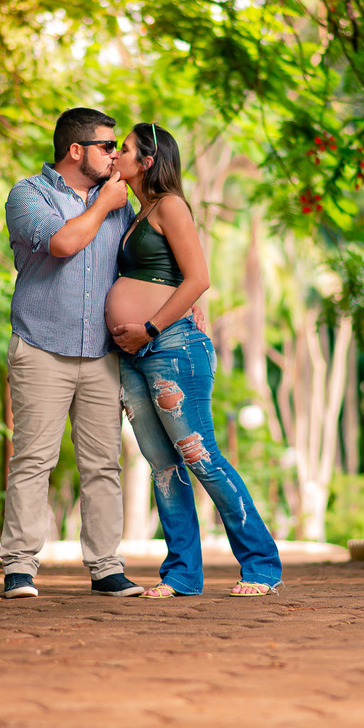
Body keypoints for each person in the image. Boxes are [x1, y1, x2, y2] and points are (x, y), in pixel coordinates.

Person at [107, 123, 282, 598]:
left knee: (200, 456)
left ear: (147, 161)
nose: (116, 154)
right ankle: (182, 574)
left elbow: (197, 278)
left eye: (123, 149)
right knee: (163, 465)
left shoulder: (170, 206)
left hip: (172, 347)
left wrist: (150, 326)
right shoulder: (136, 214)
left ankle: (262, 565)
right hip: (135, 356)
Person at [0, 107, 145, 599]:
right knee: (34, 460)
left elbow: (152, 248)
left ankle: (106, 568)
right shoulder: (28, 195)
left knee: (103, 465)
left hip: (102, 352)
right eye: (108, 146)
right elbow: (63, 243)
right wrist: (104, 204)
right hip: (42, 346)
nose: (115, 155)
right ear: (76, 150)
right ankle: (19, 568)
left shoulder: (120, 199)